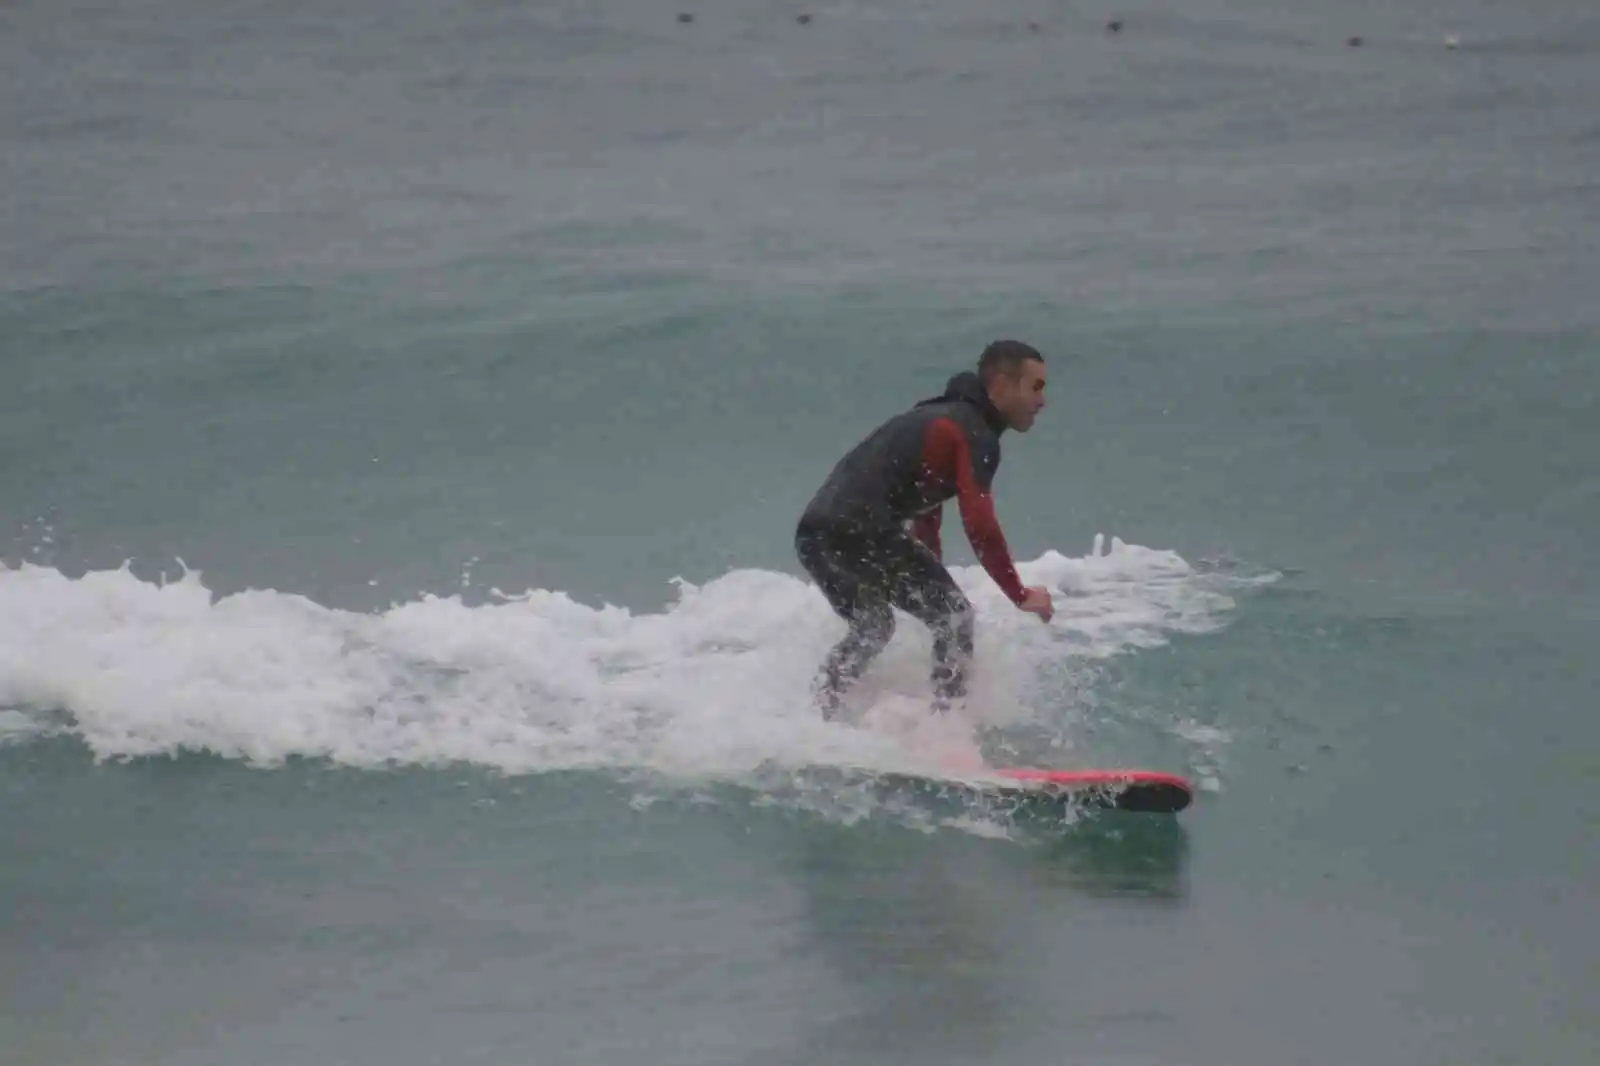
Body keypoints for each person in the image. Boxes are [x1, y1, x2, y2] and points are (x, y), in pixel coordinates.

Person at [794, 340, 1055, 718]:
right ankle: (946, 733)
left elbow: (926, 512)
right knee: (955, 617)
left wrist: (931, 569)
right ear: (1000, 385)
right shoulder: (973, 431)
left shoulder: (937, 419)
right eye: (1036, 386)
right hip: (860, 530)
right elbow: (980, 525)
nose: (1042, 400)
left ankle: (815, 716)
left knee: (874, 626)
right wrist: (1020, 593)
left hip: (815, 536)